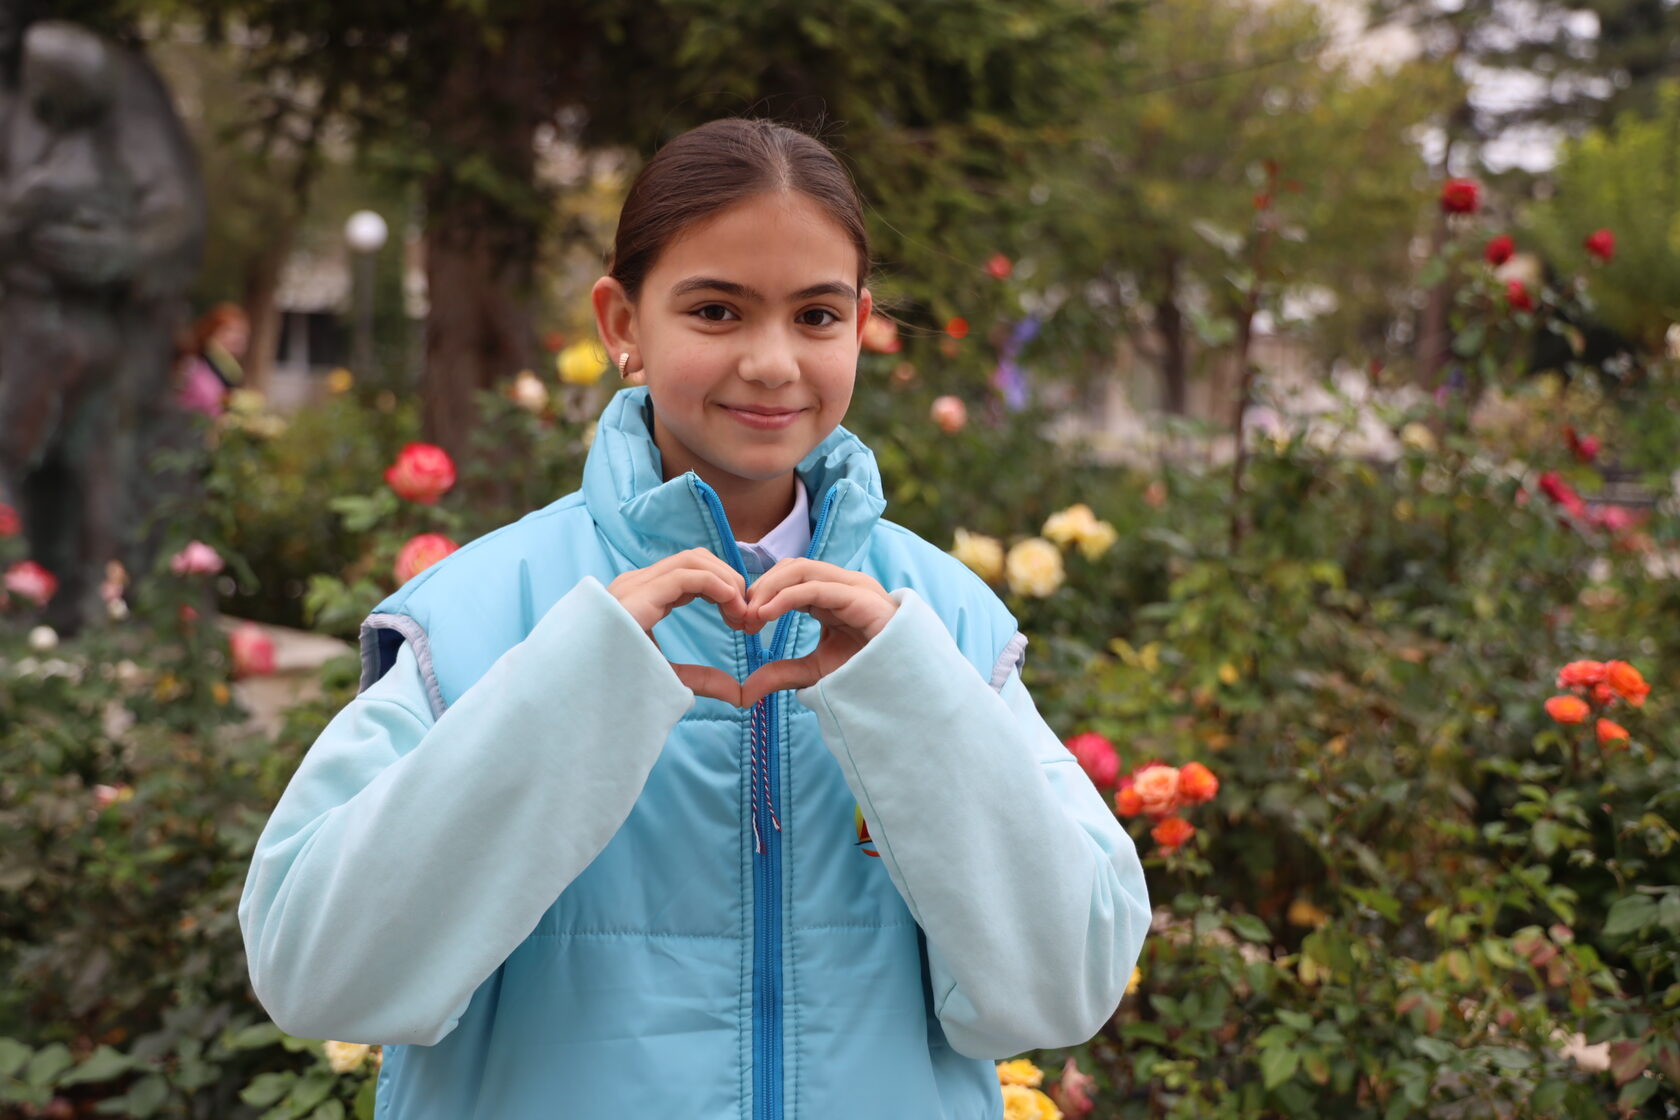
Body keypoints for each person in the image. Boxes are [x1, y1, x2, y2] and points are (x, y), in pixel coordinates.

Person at [239, 118, 1149, 1120]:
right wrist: (576, 685)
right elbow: (317, 974)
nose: (772, 362)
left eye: (816, 315)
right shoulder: (472, 615)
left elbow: (1064, 989)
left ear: (860, 325)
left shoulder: (943, 622)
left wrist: (908, 694)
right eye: (717, 310)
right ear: (621, 322)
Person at [174, 302, 248, 417]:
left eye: (242, 332)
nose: (238, 337)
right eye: (229, 330)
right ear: (211, 332)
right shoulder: (193, 366)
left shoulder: (232, 373)